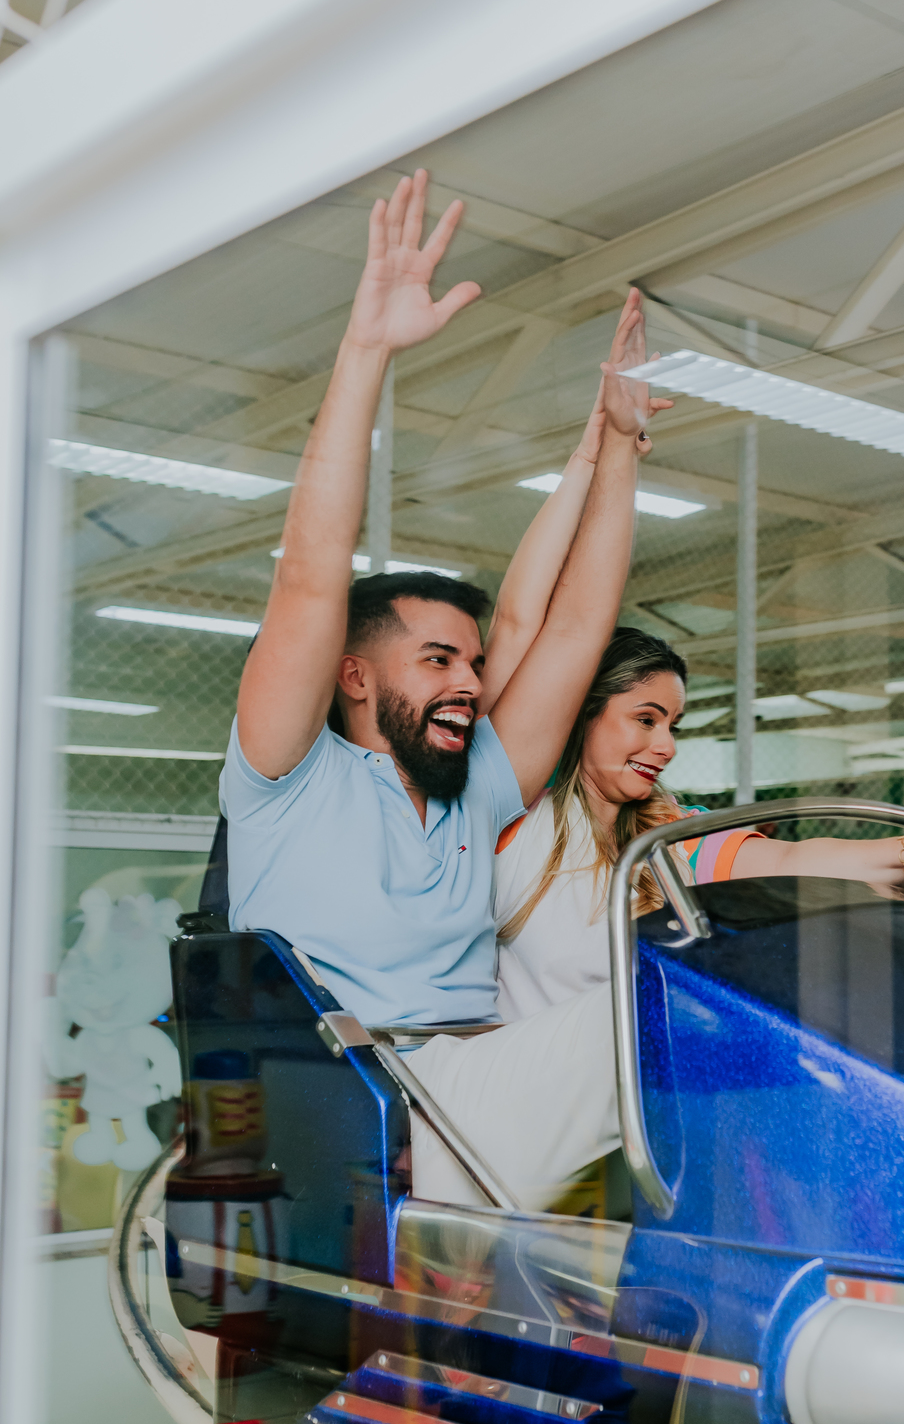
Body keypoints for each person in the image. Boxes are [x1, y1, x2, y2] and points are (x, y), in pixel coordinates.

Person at [222, 170, 666, 1206]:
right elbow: (310, 568)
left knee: (694, 1015)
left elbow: (574, 627)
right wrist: (367, 351)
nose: (472, 680)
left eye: (471, 660)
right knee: (666, 1017)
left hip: (480, 1094)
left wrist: (622, 447)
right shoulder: (288, 774)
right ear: (354, 674)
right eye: (439, 661)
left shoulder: (478, 790)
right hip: (365, 1097)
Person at [409, 626, 904, 1205]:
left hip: (631, 1139)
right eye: (645, 719)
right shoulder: (512, 821)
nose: (666, 746)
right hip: (511, 1129)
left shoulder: (672, 838)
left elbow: (795, 860)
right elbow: (521, 625)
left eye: (672, 726)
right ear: (581, 713)